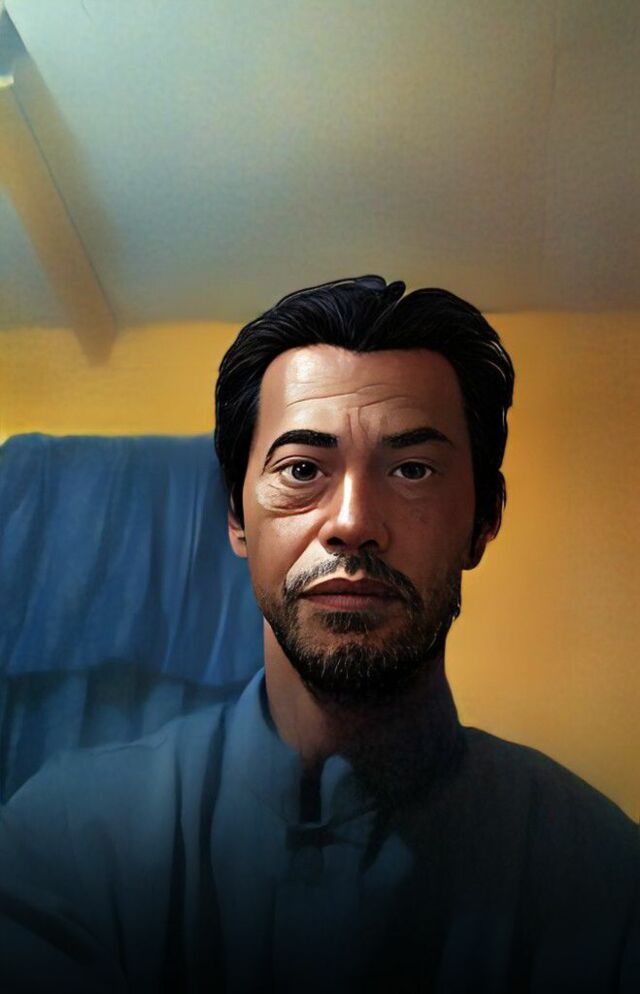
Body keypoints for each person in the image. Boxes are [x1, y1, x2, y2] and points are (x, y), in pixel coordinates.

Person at [0, 276, 637, 992]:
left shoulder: (607, 879)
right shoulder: (63, 842)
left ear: (484, 519)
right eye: (302, 469)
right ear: (237, 518)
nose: (353, 522)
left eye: (413, 469)